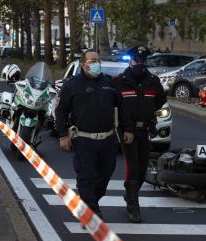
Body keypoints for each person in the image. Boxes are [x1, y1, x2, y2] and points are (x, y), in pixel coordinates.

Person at [55, 50, 126, 220]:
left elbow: (122, 109)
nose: (97, 64)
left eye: (98, 60)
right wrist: (63, 135)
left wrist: (127, 129)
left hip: (107, 139)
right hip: (84, 140)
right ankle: (92, 210)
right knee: (86, 176)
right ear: (83, 64)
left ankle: (89, 201)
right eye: (93, 60)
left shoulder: (109, 83)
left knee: (105, 174)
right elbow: (61, 111)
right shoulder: (72, 85)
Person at [112, 46, 167, 223]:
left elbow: (160, 100)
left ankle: (130, 194)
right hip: (127, 130)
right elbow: (113, 105)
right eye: (137, 61)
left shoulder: (153, 81)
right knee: (133, 168)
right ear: (130, 61)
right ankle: (133, 208)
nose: (140, 65)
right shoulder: (120, 81)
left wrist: (149, 112)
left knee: (143, 170)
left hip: (145, 130)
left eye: (143, 61)